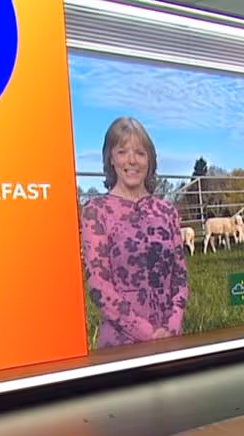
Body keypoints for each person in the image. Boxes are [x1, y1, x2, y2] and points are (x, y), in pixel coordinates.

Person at [80, 116, 190, 350]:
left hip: (170, 341)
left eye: (140, 153)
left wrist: (171, 327)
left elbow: (180, 277)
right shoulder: (96, 211)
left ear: (149, 159)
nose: (132, 160)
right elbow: (98, 285)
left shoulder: (167, 211)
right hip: (121, 345)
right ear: (111, 158)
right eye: (122, 152)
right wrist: (147, 333)